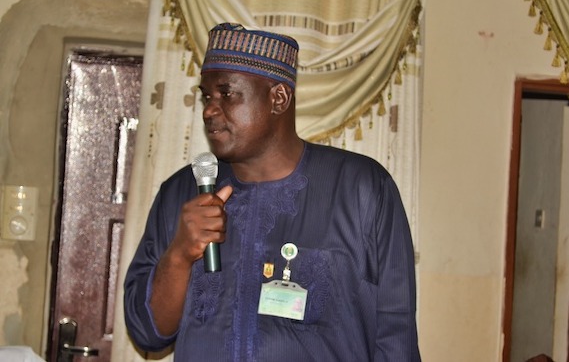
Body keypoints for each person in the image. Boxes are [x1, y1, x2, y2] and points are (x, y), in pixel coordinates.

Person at [124, 22, 421, 361]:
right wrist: (179, 255)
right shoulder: (180, 193)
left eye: (227, 94)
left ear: (278, 98)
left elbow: (396, 334)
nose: (209, 110)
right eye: (207, 96)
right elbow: (147, 333)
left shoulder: (361, 188)